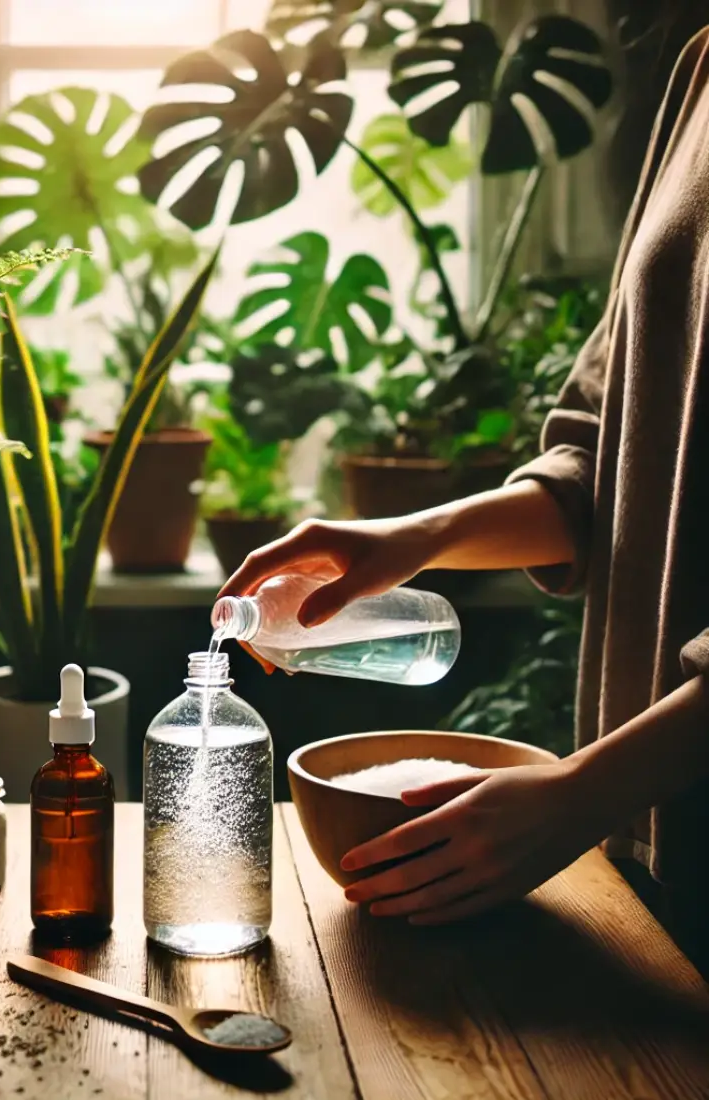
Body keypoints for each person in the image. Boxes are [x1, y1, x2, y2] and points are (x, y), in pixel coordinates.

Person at [220, 17, 709, 975]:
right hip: (656, 851)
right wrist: (415, 536)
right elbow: (602, 456)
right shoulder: (701, 73)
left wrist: (583, 791)